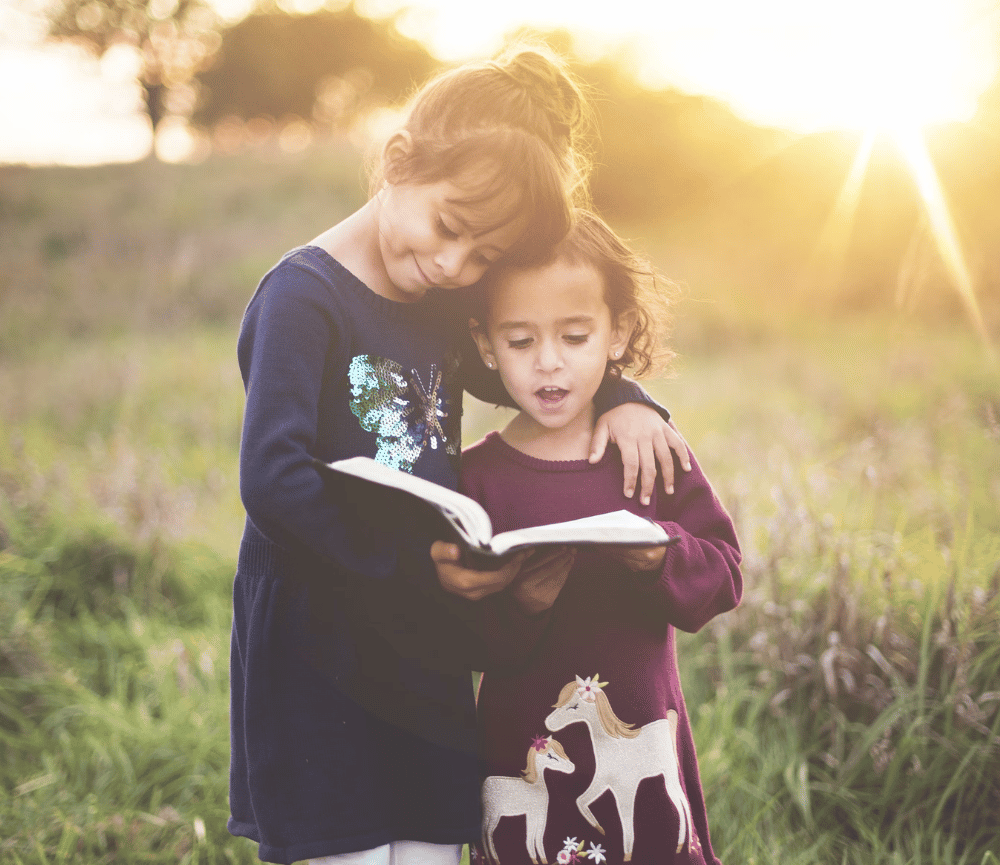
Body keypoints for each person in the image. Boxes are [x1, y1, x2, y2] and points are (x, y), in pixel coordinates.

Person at [228, 44, 691, 865]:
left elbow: (536, 373)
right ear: (398, 160)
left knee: (434, 847)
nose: (453, 265)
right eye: (449, 228)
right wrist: (413, 565)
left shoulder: (440, 303)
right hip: (318, 650)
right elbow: (272, 479)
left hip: (424, 649)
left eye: (483, 257)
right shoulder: (304, 299)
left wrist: (625, 398)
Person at [460, 210, 743, 865]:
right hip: (524, 750)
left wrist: (659, 553)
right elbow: (460, 637)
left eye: (575, 335)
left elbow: (724, 576)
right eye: (521, 341)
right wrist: (522, 602)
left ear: (617, 333)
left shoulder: (648, 452)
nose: (549, 362)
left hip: (642, 739)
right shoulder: (476, 478)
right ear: (485, 343)